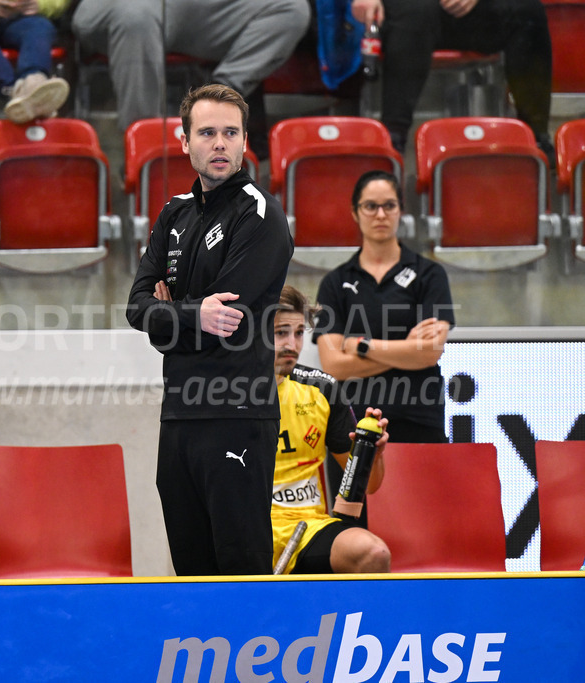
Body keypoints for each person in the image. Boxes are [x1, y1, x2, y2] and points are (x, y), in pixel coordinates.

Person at [126, 84, 294, 576]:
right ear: (184, 142)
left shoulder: (260, 215)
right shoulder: (172, 213)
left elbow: (228, 319)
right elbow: (136, 307)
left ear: (245, 143)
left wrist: (171, 317)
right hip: (177, 419)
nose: (219, 143)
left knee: (240, 573)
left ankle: (253, 656)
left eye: (229, 133)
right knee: (191, 573)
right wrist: (190, 315)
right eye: (207, 133)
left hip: (236, 412)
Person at [312, 170, 454, 445]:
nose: (380, 215)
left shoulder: (429, 275)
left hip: (419, 417)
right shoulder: (335, 282)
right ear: (355, 212)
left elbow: (428, 354)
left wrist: (362, 346)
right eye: (370, 206)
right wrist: (405, 350)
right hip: (354, 421)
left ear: (401, 210)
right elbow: (334, 366)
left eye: (389, 205)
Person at [72, 0, 310, 158]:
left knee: (291, 9)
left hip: (198, 11)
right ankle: (143, 147)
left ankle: (214, 101)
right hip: (126, 5)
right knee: (136, 17)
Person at [271, 284, 390, 574]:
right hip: (246, 530)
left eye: (299, 333)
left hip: (308, 528)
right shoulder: (227, 393)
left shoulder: (322, 389)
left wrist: (373, 455)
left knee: (373, 554)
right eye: (280, 333)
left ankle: (349, 622)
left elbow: (370, 486)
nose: (292, 344)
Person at [350, 0, 555, 162]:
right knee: (415, 10)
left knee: (528, 11)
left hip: (468, 12)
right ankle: (393, 139)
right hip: (406, 11)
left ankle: (534, 137)